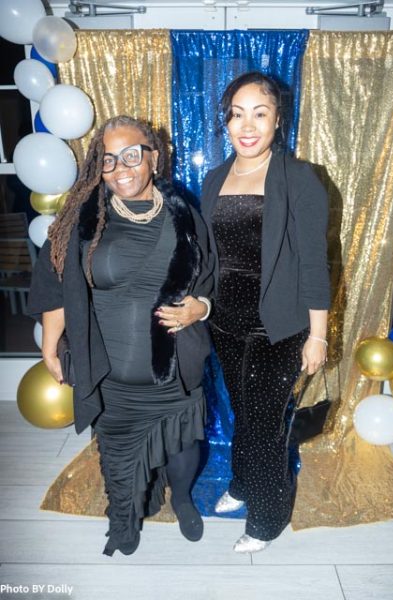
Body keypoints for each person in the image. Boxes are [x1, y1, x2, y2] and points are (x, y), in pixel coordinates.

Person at [28, 116, 214, 557]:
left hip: (173, 369)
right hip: (110, 373)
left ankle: (182, 499)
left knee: (183, 444)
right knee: (115, 455)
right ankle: (123, 521)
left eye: (131, 155)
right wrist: (50, 345)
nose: (120, 168)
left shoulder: (184, 214)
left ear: (154, 158)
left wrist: (201, 307)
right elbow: (56, 279)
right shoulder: (83, 220)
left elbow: (211, 276)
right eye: (109, 160)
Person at [201, 72, 330, 553]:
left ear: (278, 119)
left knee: (264, 423)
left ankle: (268, 517)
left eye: (260, 113)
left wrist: (318, 335)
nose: (247, 125)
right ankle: (241, 482)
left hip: (278, 326)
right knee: (243, 412)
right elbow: (210, 256)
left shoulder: (299, 179)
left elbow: (314, 263)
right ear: (227, 122)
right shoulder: (215, 178)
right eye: (237, 115)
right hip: (225, 323)